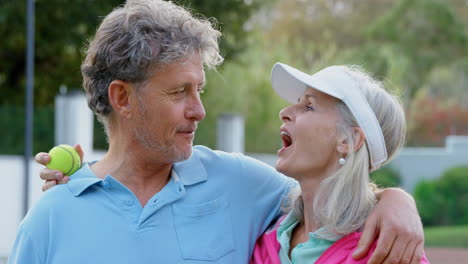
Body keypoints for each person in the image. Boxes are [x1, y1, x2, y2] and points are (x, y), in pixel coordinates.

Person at [10, 0, 423, 263]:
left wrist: (395, 200)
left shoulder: (243, 184)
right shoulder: (51, 218)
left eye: (200, 90)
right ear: (122, 98)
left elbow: (335, 195)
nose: (200, 111)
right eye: (179, 92)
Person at [250, 63, 428, 264]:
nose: (284, 111)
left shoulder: (390, 254)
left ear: (347, 140)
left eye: (309, 106)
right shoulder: (262, 240)